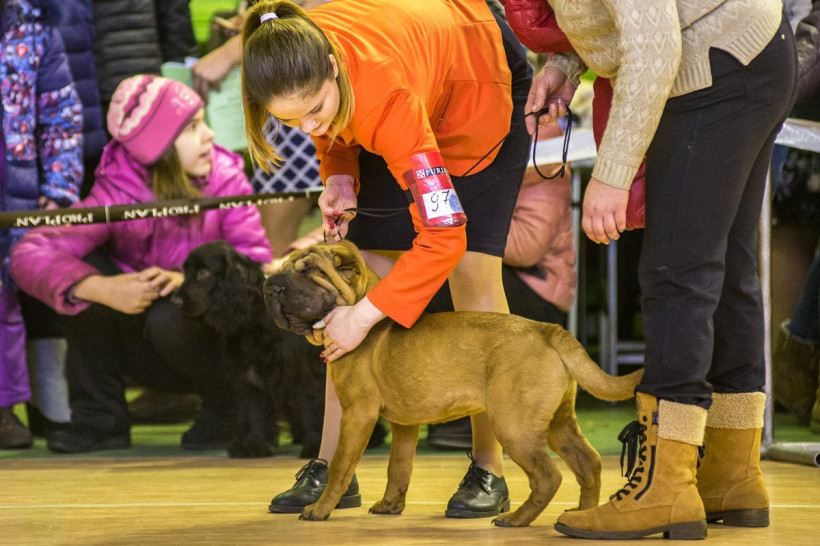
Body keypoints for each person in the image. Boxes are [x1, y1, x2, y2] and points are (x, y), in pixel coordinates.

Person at [241, 0, 531, 518]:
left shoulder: (387, 100)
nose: (308, 127)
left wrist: (365, 317)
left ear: (332, 66)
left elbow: (444, 236)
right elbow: (330, 128)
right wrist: (338, 174)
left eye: (314, 111)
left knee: (471, 273)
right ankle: (333, 469)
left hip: (477, 81)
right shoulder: (296, 50)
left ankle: (490, 468)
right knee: (357, 269)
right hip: (401, 79)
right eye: (290, 120)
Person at [516, 0, 796, 539]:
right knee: (723, 269)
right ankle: (731, 476)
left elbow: (655, 48)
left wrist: (612, 174)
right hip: (747, 55)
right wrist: (567, 63)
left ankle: (664, 487)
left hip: (713, 67)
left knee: (676, 274)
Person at [10, 75, 273, 454]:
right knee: (80, 265)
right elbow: (29, 253)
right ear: (158, 148)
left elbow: (255, 269)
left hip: (204, 345)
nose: (210, 136)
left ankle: (226, 408)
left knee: (171, 316)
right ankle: (100, 418)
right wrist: (101, 288)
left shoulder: (228, 180)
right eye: (193, 127)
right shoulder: (115, 190)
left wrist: (188, 282)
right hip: (139, 344)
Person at [0, 0, 83, 450]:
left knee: (5, 302)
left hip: (14, 192)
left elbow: (61, 117)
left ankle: (4, 407)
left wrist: (59, 187)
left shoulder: (35, 32)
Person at [191, 0, 326, 260]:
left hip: (301, 77)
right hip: (288, 80)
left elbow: (324, 10)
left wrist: (231, 51)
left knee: (273, 248)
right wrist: (254, 19)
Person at [771, 0, 820, 431]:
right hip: (795, 95)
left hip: (790, 87)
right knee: (785, 237)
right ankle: (785, 379)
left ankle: (791, 368)